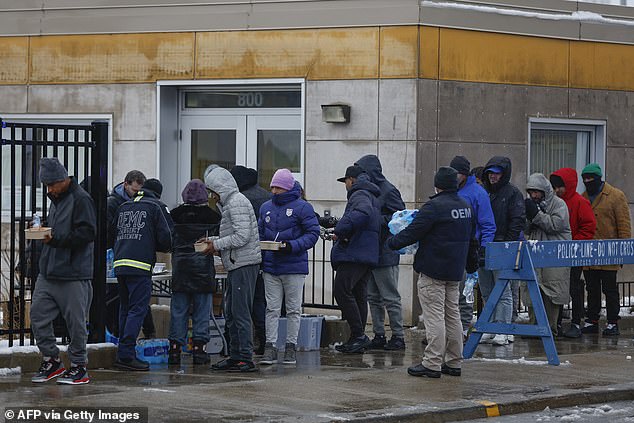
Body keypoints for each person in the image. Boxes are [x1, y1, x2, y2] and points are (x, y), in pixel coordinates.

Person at [388, 167, 477, 379]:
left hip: (433, 270)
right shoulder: (465, 207)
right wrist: (473, 267)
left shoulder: (434, 207)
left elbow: (412, 232)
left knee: (434, 317)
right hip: (455, 271)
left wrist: (391, 242)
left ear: (437, 185)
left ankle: (432, 362)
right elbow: (472, 240)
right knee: (452, 315)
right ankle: (454, 361)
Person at [30, 158, 96, 385]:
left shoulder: (81, 199)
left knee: (76, 323)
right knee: (37, 315)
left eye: (51, 185)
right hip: (49, 271)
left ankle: (79, 366)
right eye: (46, 186)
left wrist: (55, 239)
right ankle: (52, 360)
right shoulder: (56, 199)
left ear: (62, 180)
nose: (49, 190)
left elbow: (87, 233)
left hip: (73, 273)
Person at [202, 165, 262, 372]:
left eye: (213, 191)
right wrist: (213, 241)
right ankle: (236, 355)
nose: (212, 196)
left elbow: (242, 236)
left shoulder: (236, 202)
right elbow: (238, 234)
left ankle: (244, 357)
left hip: (243, 264)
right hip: (238, 263)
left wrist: (216, 245)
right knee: (232, 312)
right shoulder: (232, 203)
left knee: (240, 312)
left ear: (220, 188)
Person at [257, 169, 320, 365]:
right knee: (272, 309)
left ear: (286, 187)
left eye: (278, 187)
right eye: (273, 187)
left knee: (293, 309)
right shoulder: (265, 207)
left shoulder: (303, 207)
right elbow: (259, 233)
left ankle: (291, 347)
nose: (274, 190)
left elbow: (313, 233)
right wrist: (262, 246)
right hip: (271, 265)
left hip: (294, 266)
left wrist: (291, 246)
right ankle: (270, 347)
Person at [112, 182, 173, 371]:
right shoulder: (155, 207)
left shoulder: (124, 206)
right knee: (138, 309)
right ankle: (126, 355)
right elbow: (166, 238)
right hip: (140, 265)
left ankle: (123, 351)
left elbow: (112, 231)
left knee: (125, 308)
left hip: (120, 264)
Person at [354, 154, 407, 351]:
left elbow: (400, 218)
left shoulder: (389, 190)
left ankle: (398, 336)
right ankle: (379, 334)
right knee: (373, 297)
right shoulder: (368, 191)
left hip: (385, 251)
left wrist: (375, 220)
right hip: (371, 251)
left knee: (390, 297)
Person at [168, 179, 221, 365]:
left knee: (178, 310)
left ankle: (174, 350)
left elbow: (168, 241)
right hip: (203, 271)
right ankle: (199, 350)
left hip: (181, 269)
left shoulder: (174, 215)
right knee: (201, 312)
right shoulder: (213, 216)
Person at [331, 165, 381, 354]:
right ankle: (356, 338)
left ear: (351, 180)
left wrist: (340, 229)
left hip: (355, 253)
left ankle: (358, 335)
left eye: (345, 181)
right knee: (359, 294)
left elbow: (362, 213)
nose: (345, 185)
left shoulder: (359, 194)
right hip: (366, 253)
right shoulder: (372, 195)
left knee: (342, 291)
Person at [580, 163, 631, 336]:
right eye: (584, 178)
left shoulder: (616, 196)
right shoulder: (583, 197)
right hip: (589, 253)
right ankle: (592, 320)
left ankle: (612, 321)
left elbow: (623, 224)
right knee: (592, 288)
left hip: (609, 251)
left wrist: (623, 250)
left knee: (610, 289)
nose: (587, 181)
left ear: (598, 178)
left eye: (590, 178)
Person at [480, 156, 526, 345]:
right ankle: (491, 327)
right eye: (490, 173)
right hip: (485, 246)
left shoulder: (512, 194)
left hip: (502, 246)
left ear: (504, 174)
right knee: (487, 290)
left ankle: (504, 329)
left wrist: (507, 244)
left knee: (504, 290)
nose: (493, 177)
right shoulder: (485, 193)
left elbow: (517, 220)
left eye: (497, 173)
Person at [105, 170, 156, 339]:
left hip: (126, 260)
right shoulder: (114, 203)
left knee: (132, 303)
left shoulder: (137, 203)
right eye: (134, 191)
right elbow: (109, 233)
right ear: (125, 184)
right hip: (118, 257)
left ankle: (133, 337)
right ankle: (124, 340)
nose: (137, 195)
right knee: (128, 303)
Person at [450, 156, 496, 341]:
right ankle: (454, 330)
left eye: (458, 173)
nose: (455, 177)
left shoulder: (478, 193)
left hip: (469, 249)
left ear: (465, 174)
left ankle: (462, 330)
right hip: (452, 248)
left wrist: (483, 249)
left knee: (465, 293)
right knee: (453, 292)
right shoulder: (454, 191)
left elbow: (487, 224)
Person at [550, 168, 596, 338]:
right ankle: (558, 322)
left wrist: (574, 242)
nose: (556, 190)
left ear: (567, 185)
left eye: (559, 187)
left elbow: (589, 227)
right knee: (558, 288)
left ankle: (576, 322)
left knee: (574, 288)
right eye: (554, 187)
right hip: (559, 252)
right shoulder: (555, 202)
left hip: (574, 252)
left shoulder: (579, 202)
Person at [523, 173, 572, 336]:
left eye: (536, 192)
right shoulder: (533, 205)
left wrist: (536, 216)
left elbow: (555, 225)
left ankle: (550, 329)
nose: (533, 195)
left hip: (554, 255)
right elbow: (526, 230)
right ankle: (533, 327)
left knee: (552, 293)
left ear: (545, 191)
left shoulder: (559, 205)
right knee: (533, 290)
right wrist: (528, 218)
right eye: (531, 192)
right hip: (537, 253)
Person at [230, 165, 270, 355]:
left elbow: (241, 232)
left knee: (244, 304)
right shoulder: (265, 195)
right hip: (266, 254)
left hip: (245, 257)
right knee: (261, 300)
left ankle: (241, 348)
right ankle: (264, 341)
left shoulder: (241, 199)